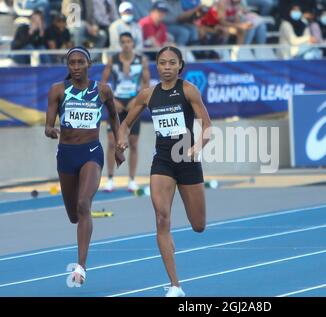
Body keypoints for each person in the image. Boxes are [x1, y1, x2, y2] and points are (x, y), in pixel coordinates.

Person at [117, 46, 212, 297]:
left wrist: (198, 145)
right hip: (163, 162)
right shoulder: (149, 95)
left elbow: (208, 126)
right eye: (162, 63)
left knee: (199, 225)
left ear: (180, 66)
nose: (167, 67)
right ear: (156, 66)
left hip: (187, 160)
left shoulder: (188, 90)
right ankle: (175, 286)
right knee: (161, 218)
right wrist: (121, 140)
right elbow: (125, 122)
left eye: (172, 63)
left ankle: (170, 244)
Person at [45, 46, 125, 286]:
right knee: (73, 215)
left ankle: (81, 266)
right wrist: (51, 130)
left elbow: (113, 116)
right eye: (72, 63)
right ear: (68, 66)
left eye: (81, 62)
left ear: (89, 64)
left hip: (91, 152)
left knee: (83, 203)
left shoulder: (102, 90)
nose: (77, 67)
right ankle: (80, 226)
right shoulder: (58, 90)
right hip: (66, 155)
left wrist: (119, 143)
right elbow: (48, 125)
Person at [101, 32, 150, 192]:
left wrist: (137, 101)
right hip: (116, 104)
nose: (126, 44)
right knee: (111, 143)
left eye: (129, 41)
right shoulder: (112, 60)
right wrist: (112, 101)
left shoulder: (141, 60)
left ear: (133, 43)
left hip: (133, 105)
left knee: (133, 143)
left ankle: (132, 179)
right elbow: (103, 84)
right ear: (120, 44)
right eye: (123, 42)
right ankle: (109, 179)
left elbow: (146, 83)